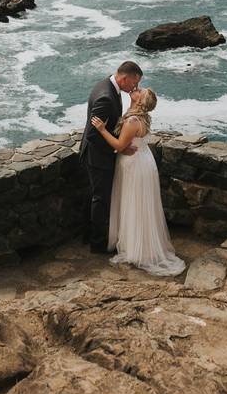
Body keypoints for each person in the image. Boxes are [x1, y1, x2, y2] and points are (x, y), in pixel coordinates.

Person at [91, 87, 185, 276]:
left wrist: (101, 129)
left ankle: (135, 249)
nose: (137, 88)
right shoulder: (141, 117)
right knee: (141, 205)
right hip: (143, 160)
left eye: (139, 91)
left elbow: (119, 145)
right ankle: (139, 244)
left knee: (133, 204)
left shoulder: (133, 121)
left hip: (134, 165)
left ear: (140, 101)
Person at [78, 61, 142, 253]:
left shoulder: (108, 85)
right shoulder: (106, 97)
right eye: (134, 83)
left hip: (97, 154)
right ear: (124, 79)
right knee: (101, 199)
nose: (135, 87)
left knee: (94, 196)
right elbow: (92, 134)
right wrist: (119, 148)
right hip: (97, 157)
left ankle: (87, 235)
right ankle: (97, 244)